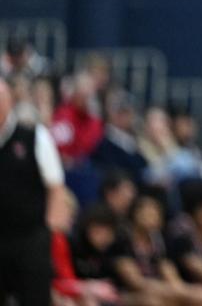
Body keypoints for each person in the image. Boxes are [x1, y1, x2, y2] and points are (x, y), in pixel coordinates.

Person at [0, 77, 67, 306]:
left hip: (30, 237)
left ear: (9, 102)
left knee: (34, 298)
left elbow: (56, 187)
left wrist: (49, 232)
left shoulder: (34, 136)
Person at [49, 188, 119, 306]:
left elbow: (67, 278)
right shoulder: (47, 241)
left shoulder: (61, 240)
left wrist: (87, 288)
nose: (71, 221)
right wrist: (86, 287)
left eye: (72, 215)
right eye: (67, 214)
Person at [91, 90, 148, 181]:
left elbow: (143, 165)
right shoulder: (104, 141)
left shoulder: (134, 139)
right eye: (122, 113)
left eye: (129, 113)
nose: (127, 118)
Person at [51, 72, 104, 168]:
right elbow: (60, 151)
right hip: (65, 169)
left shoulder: (95, 121)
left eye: (89, 95)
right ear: (75, 94)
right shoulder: (63, 115)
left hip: (88, 168)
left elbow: (94, 148)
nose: (86, 99)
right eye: (83, 95)